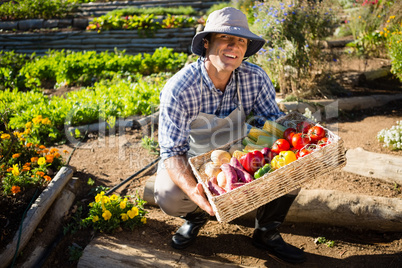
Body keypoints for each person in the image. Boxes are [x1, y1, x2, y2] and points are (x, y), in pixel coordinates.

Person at [154, 7, 306, 264]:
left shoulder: (255, 78)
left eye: (241, 41)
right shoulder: (180, 88)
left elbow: (272, 126)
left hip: (240, 154)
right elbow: (171, 152)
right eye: (225, 38)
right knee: (168, 195)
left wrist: (304, 142)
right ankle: (196, 216)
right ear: (206, 42)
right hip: (196, 158)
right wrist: (197, 195)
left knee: (293, 167)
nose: (233, 46)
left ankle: (267, 232)